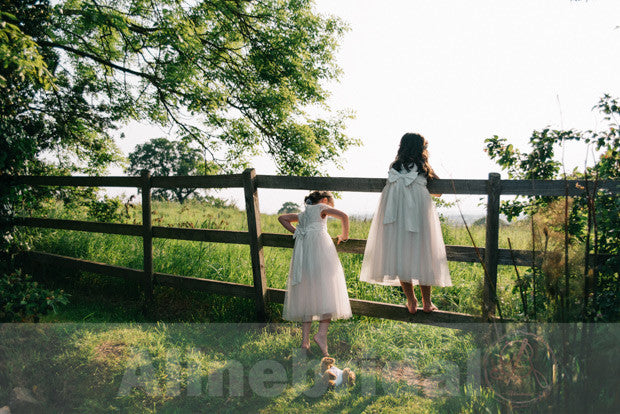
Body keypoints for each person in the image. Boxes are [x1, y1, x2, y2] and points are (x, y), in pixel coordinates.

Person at [359, 132, 451, 313]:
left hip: (395, 220)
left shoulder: (395, 167)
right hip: (418, 217)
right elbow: (439, 192)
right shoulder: (423, 167)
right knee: (424, 255)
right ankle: (427, 302)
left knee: (400, 256)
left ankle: (411, 300)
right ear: (421, 148)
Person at [279, 190, 352, 356]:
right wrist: (344, 236)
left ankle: (305, 341)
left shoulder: (303, 214)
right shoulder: (321, 208)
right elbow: (344, 216)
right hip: (320, 250)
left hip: (304, 252)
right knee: (328, 290)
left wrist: (297, 231)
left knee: (308, 293)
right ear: (325, 200)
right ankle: (321, 334)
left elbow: (282, 218)